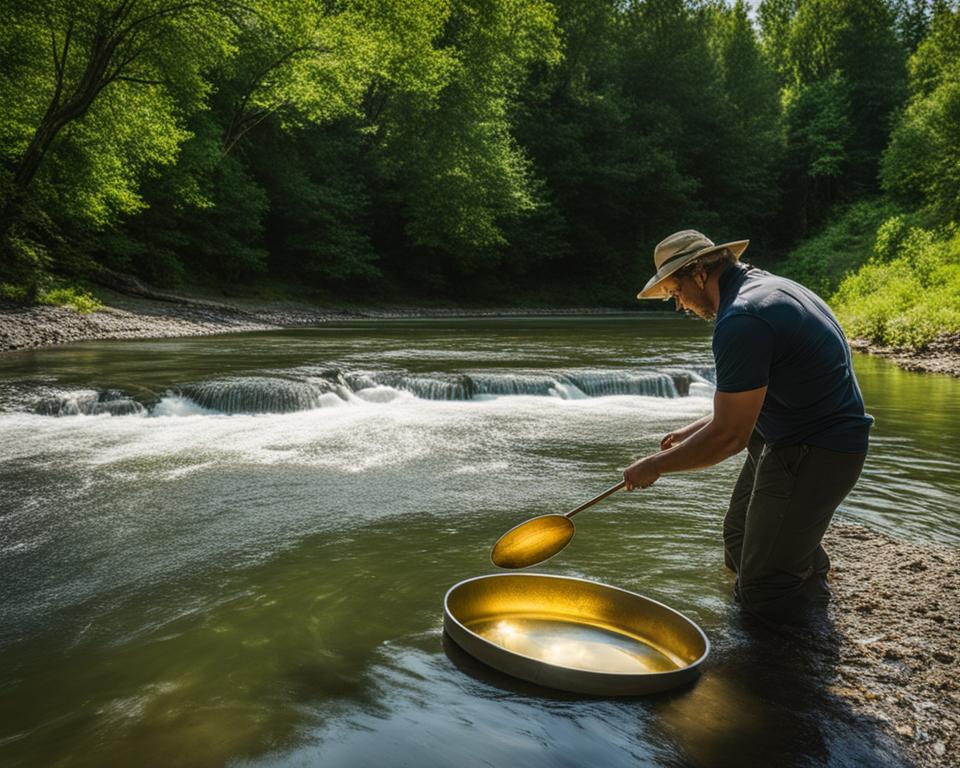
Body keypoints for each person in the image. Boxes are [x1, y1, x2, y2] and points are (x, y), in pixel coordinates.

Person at [623, 229, 872, 625]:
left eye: (676, 291)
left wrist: (654, 466)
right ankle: (800, 578)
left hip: (816, 449)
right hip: (793, 432)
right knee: (739, 537)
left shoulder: (742, 320)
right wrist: (693, 430)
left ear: (699, 274)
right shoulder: (767, 289)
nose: (680, 305)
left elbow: (729, 437)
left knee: (763, 588)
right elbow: (757, 398)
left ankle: (797, 657)